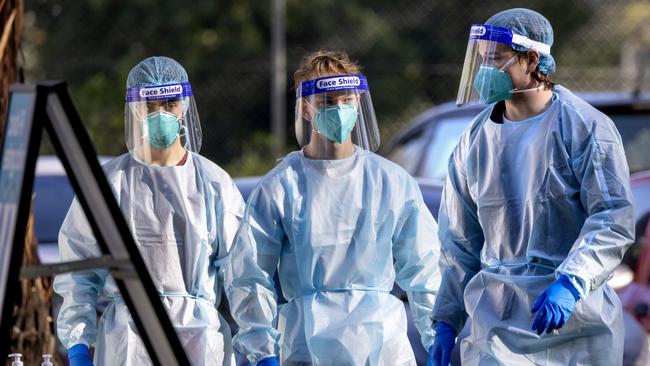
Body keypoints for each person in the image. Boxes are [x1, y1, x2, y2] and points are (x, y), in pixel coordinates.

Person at [428, 8, 635, 366]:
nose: (485, 73)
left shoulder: (584, 127)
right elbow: (459, 242)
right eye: (482, 62)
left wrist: (573, 282)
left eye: (496, 61)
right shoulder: (474, 141)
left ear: (532, 59)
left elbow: (612, 216)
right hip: (497, 326)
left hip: (576, 328)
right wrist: (446, 319)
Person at [225, 50, 441, 366]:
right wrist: (262, 349)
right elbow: (249, 274)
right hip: (307, 348)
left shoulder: (390, 181)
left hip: (382, 349)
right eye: (327, 102)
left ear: (358, 102)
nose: (339, 110)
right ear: (306, 108)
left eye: (346, 100)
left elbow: (425, 267)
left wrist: (435, 335)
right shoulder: (281, 187)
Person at [54, 56, 245, 365]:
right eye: (151, 104)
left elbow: (241, 272)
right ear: (134, 108)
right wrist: (79, 344)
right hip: (129, 341)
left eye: (170, 103)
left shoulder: (213, 182)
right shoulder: (109, 184)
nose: (161, 113)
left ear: (184, 106)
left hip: (200, 339)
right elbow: (79, 268)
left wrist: (258, 340)